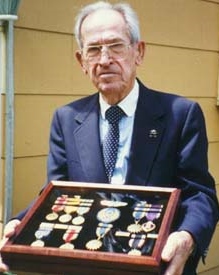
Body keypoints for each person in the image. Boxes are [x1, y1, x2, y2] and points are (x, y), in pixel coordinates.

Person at [0, 1, 219, 274]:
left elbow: (200, 195)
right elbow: (56, 193)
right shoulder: (66, 119)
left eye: (116, 46)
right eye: (93, 49)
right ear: (81, 61)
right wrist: (21, 224)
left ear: (138, 52)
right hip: (86, 263)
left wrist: (187, 237)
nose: (104, 60)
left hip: (159, 264)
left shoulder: (181, 114)